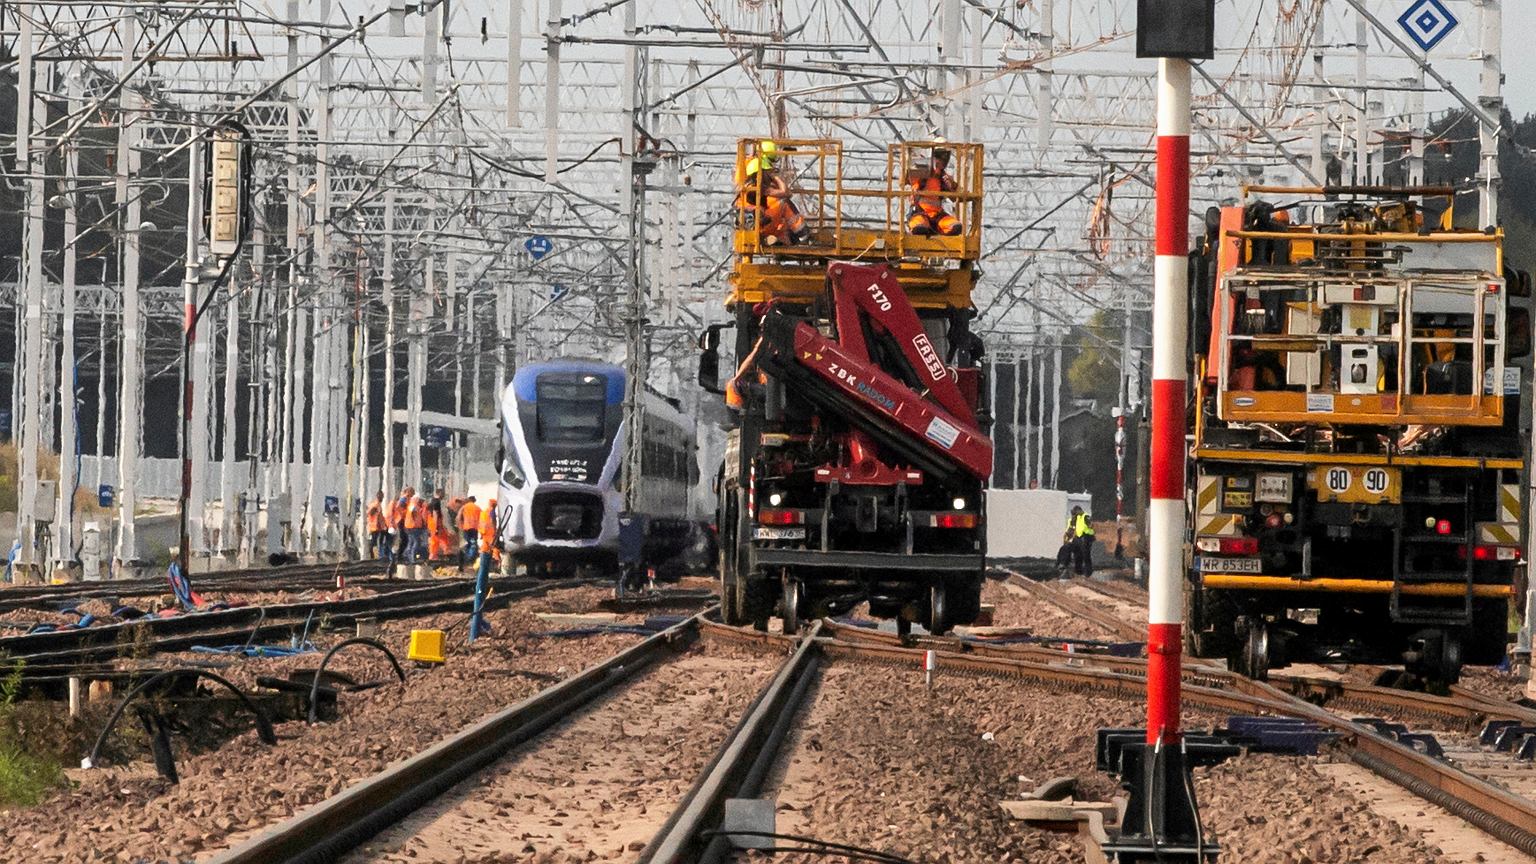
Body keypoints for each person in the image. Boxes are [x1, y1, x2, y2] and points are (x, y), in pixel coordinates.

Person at [739, 139, 809, 247]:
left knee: (779, 216)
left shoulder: (748, 184)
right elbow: (786, 193)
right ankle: (802, 232)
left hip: (752, 224)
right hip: (759, 225)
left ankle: (781, 239)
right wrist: (775, 176)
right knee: (783, 203)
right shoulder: (760, 188)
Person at [907, 146, 962, 237]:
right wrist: (913, 157)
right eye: (939, 157)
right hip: (920, 213)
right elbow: (906, 178)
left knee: (956, 227)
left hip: (938, 215)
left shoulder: (944, 178)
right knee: (919, 228)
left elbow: (955, 197)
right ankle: (927, 231)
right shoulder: (921, 173)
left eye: (944, 158)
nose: (941, 161)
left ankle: (938, 234)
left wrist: (951, 185)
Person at [1067, 505, 1095, 577]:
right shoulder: (1077, 517)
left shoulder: (1085, 516)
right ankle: (1078, 571)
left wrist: (1089, 524)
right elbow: (1072, 527)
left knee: (1086, 555)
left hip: (1086, 537)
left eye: (1076, 512)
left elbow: (1091, 525)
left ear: (1079, 510)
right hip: (1078, 537)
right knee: (1077, 555)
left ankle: (1088, 572)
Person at [404, 493, 428, 566]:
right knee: (416, 542)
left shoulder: (411, 505)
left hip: (409, 526)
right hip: (413, 527)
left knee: (411, 542)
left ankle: (407, 555)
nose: (421, 501)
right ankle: (412, 557)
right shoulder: (414, 506)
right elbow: (414, 515)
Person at [390, 487, 413, 563]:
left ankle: (399, 555)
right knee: (404, 539)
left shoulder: (407, 499)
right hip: (401, 521)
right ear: (408, 492)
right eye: (412, 492)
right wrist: (403, 514)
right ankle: (398, 556)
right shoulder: (404, 498)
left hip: (402, 520)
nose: (413, 494)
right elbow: (398, 507)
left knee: (404, 539)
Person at [458, 495, 482, 563]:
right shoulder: (478, 508)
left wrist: (460, 526)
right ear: (474, 501)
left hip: (466, 527)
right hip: (475, 528)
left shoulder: (464, 507)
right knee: (473, 542)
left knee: (467, 542)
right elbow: (482, 518)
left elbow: (459, 516)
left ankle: (466, 558)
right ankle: (471, 557)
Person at [365, 492, 389, 560]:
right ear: (378, 496)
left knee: (376, 541)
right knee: (374, 541)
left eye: (382, 497)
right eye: (381, 497)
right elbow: (370, 513)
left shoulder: (377, 504)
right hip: (374, 526)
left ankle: (376, 555)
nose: (382, 498)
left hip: (378, 526)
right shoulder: (375, 505)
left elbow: (380, 517)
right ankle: (372, 555)